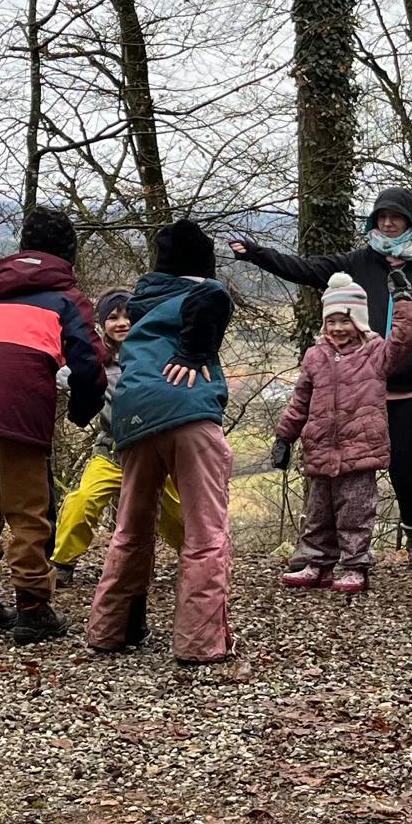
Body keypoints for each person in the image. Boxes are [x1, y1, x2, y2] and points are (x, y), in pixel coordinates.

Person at [228, 188, 412, 567]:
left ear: (410, 222)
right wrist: (257, 254)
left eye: (396, 217)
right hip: (359, 385)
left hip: (410, 387)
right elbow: (305, 269)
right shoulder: (358, 262)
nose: (388, 223)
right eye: (381, 217)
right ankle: (326, 545)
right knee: (341, 468)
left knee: (403, 467)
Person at [0, 206, 106, 644]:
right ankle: (32, 609)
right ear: (69, 253)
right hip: (20, 416)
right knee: (28, 513)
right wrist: (83, 410)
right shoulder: (66, 299)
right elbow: (89, 363)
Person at [86, 220, 236, 664]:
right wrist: (192, 353)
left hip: (133, 417)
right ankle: (199, 644)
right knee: (205, 531)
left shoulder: (143, 301)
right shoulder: (204, 291)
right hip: (189, 412)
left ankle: (109, 630)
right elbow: (214, 297)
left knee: (130, 527)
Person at [274, 270, 412, 593]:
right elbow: (300, 401)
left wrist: (403, 301)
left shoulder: (375, 353)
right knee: (318, 512)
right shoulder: (315, 356)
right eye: (331, 321)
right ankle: (317, 563)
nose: (338, 328)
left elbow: (405, 339)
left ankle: (355, 566)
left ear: (358, 321)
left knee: (355, 512)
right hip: (321, 447)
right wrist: (284, 436)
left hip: (360, 448)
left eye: (345, 320)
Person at [51, 288, 185, 587]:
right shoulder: (95, 362)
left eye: (128, 316)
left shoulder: (157, 355)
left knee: (177, 513)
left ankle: (194, 560)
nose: (122, 323)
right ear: (103, 324)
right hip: (111, 452)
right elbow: (63, 375)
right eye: (113, 317)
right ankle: (62, 563)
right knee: (82, 501)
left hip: (155, 452)